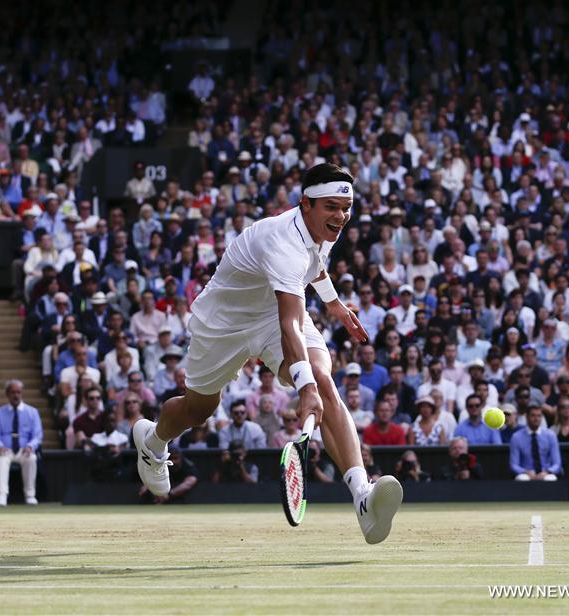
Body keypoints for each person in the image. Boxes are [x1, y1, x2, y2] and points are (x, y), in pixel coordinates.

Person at [133, 164, 402, 545]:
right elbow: (290, 322)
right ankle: (153, 442)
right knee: (199, 409)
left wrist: (337, 307)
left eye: (346, 207)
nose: (341, 216)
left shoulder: (326, 226)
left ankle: (363, 497)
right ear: (304, 204)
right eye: (331, 206)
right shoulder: (281, 243)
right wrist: (302, 385)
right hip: (224, 324)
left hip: (277, 314)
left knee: (326, 383)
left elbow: (316, 266)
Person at [0, 380, 43, 507]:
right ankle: (2, 494)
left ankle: (30, 495)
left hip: (24, 449)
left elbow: (38, 435)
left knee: (31, 458)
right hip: (6, 449)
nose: (16, 395)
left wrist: (31, 446)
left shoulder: (32, 412)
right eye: (13, 392)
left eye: (18, 392)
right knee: (1, 459)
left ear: (22, 393)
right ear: (7, 394)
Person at [509, 406, 562, 481]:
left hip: (545, 472)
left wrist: (547, 472)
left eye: (539, 416)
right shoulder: (516, 437)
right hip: (526, 473)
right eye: (533, 415)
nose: (536, 419)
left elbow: (557, 463)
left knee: (550, 479)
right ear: (527, 417)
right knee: (522, 478)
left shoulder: (550, 435)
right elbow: (514, 465)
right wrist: (525, 472)